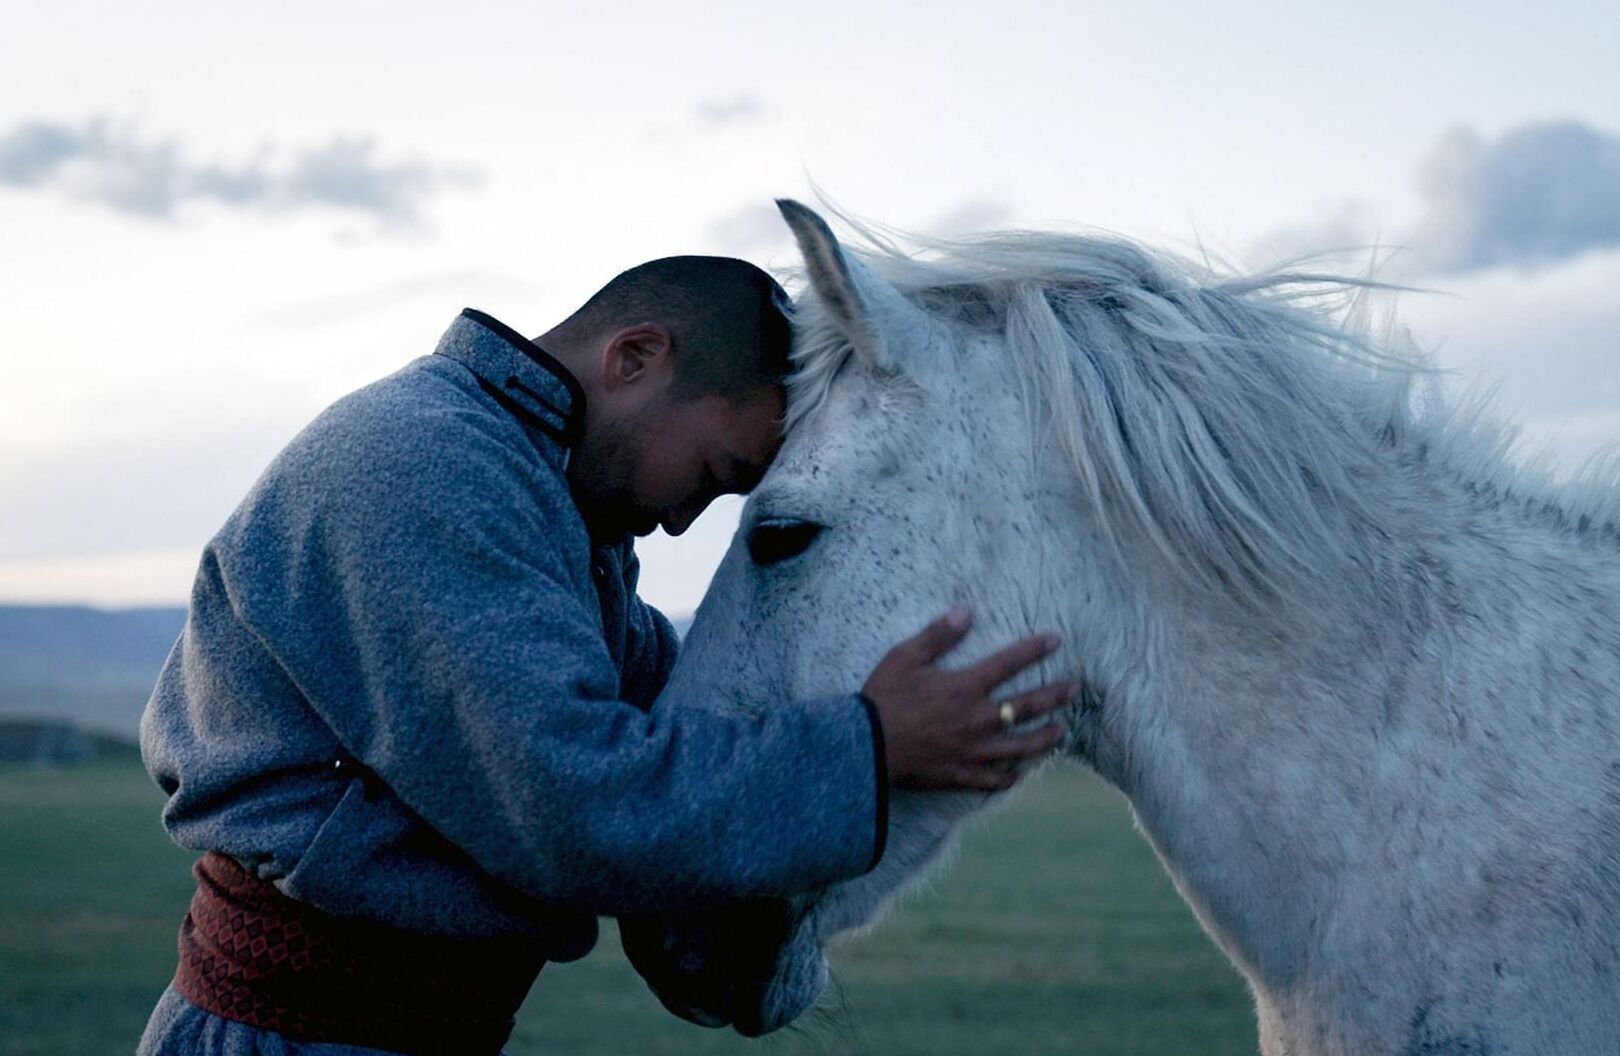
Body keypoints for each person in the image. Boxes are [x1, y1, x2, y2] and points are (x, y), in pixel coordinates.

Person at [136, 256, 1075, 1055]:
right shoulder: (421, 466)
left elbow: (673, 710)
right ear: (635, 358)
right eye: (712, 477)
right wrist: (870, 749)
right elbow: (570, 801)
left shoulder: (545, 496)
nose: (678, 521)